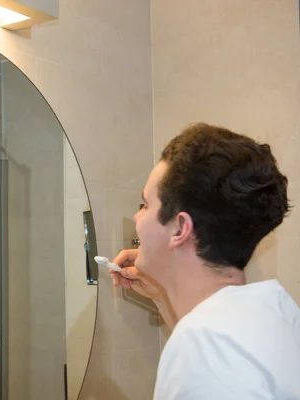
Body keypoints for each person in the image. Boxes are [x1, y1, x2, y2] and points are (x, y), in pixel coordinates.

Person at [110, 123, 300, 399]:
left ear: (180, 229)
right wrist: (164, 296)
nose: (137, 218)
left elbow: (205, 355)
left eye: (146, 205)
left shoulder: (202, 348)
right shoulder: (277, 311)